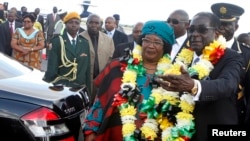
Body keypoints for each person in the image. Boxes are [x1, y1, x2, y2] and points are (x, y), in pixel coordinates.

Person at [156, 12, 243, 141]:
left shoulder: (231, 57)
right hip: (181, 133)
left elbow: (228, 84)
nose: (195, 34)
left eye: (202, 30)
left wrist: (194, 85)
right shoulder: (183, 57)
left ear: (217, 33)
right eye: (191, 30)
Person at [84, 20, 175, 141]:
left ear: (165, 46)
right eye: (146, 40)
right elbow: (99, 101)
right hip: (114, 135)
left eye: (157, 42)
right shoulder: (118, 66)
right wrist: (91, 131)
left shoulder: (172, 76)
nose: (150, 46)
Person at [211, 2, 250, 125]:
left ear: (236, 27)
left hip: (232, 118)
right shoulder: (198, 49)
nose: (221, 28)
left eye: (226, 24)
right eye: (218, 24)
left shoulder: (247, 54)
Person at [43, 11, 91, 92]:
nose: (74, 25)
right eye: (71, 22)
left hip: (79, 86)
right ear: (65, 24)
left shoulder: (85, 43)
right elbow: (52, 67)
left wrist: (88, 89)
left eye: (77, 23)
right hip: (62, 86)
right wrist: (49, 86)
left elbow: (87, 68)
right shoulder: (57, 41)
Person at [80, 14, 114, 105]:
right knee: (85, 104)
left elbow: (111, 59)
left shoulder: (108, 40)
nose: (94, 25)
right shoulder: (79, 38)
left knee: (99, 105)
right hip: (84, 82)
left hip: (101, 81)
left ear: (100, 24)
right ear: (86, 23)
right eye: (91, 22)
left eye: (96, 23)